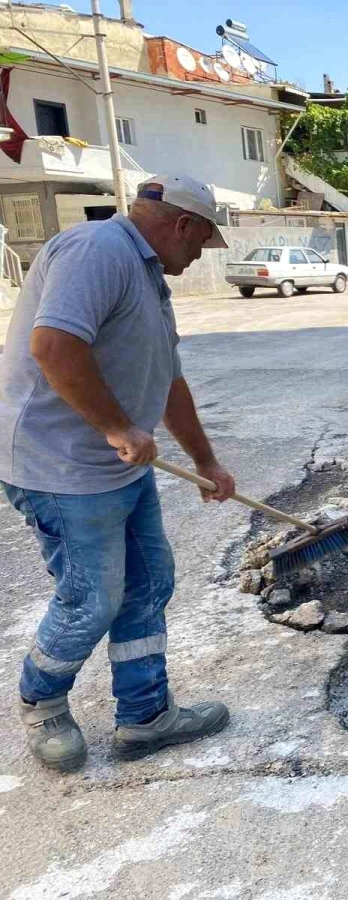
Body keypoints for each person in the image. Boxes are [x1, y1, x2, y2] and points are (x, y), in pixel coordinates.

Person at [0, 174, 237, 771]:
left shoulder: (149, 276)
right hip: (59, 466)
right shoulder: (96, 250)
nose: (198, 259)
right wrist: (115, 426)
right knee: (92, 599)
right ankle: (43, 704)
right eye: (202, 243)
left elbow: (168, 379)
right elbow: (53, 346)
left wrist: (205, 459)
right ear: (183, 225)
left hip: (117, 468)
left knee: (150, 582)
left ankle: (145, 715)